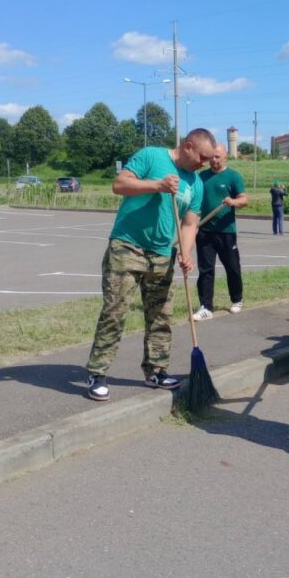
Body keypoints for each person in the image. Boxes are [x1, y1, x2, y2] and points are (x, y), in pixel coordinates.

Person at [83, 128, 216, 401]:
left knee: (160, 316)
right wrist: (157, 185)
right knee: (115, 312)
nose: (205, 164)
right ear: (188, 146)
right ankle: (97, 372)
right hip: (127, 246)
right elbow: (119, 184)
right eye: (202, 157)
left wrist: (186, 253)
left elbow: (190, 223)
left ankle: (156, 370)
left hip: (162, 254)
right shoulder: (151, 156)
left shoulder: (196, 183)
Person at [192, 143, 249, 321]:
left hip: (226, 231)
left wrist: (233, 202)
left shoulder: (233, 176)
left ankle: (237, 299)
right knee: (205, 270)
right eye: (211, 157)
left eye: (217, 157)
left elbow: (244, 199)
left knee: (232, 268)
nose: (214, 160)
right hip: (204, 231)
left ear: (225, 157)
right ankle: (206, 307)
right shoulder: (202, 177)